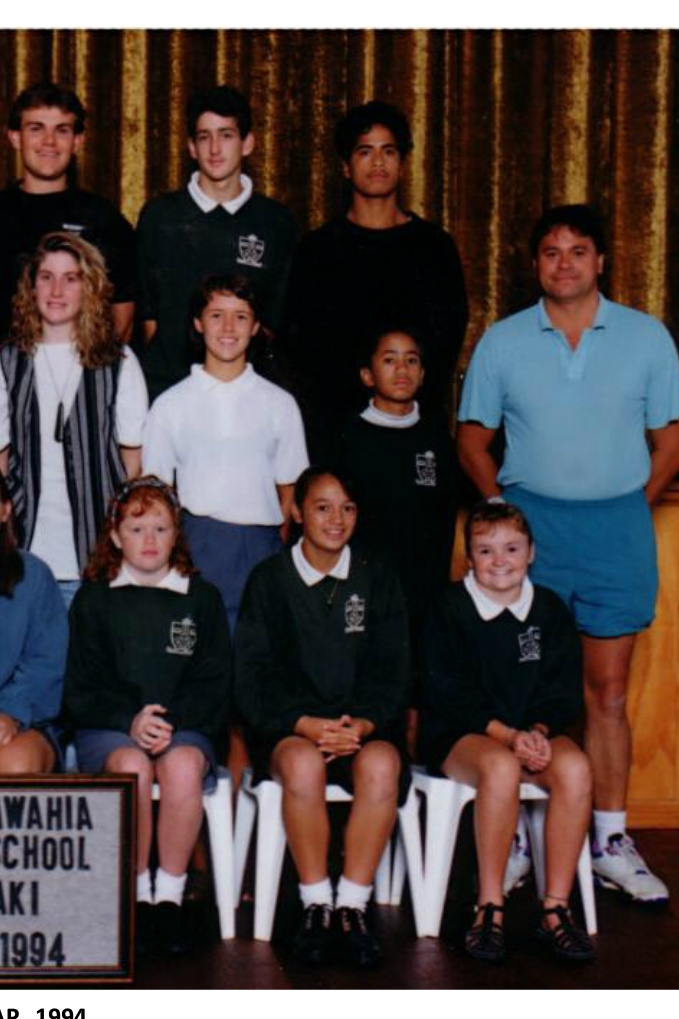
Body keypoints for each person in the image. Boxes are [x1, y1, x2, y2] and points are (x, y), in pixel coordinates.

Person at [458, 203, 679, 904]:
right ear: (536, 264)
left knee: (607, 693)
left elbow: (673, 441)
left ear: (601, 261)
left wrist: (629, 506)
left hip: (616, 528)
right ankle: (520, 837)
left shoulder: (645, 337)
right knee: (524, 688)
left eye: (578, 251)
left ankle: (610, 841)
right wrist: (509, 521)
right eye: (552, 252)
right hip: (536, 530)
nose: (565, 264)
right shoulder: (503, 341)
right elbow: (472, 439)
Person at [235, 467, 410, 968]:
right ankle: (316, 904)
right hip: (292, 730)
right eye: (323, 507)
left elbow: (395, 671)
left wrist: (363, 725)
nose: (337, 519)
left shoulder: (378, 577)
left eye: (348, 508)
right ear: (296, 512)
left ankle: (352, 905)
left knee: (382, 765)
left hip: (361, 731)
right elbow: (252, 678)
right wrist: (304, 723)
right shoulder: (269, 580)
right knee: (303, 764)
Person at [419, 501, 593, 963]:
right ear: (469, 558)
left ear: (531, 552)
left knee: (575, 767)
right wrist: (509, 737)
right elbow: (448, 693)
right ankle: (490, 905)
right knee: (500, 767)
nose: (500, 561)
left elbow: (562, 691)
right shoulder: (449, 608)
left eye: (512, 549)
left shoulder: (549, 609)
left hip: (526, 733)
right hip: (462, 735)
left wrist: (536, 731)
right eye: (486, 550)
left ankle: (555, 907)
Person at [63, 477, 231, 956]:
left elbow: (216, 683)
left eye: (161, 528)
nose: (150, 540)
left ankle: (169, 898)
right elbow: (80, 689)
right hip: (111, 728)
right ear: (116, 537)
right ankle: (136, 896)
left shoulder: (202, 598)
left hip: (184, 727)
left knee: (182, 766)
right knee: (133, 767)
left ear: (177, 534)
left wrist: (169, 723)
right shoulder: (95, 599)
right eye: (137, 529)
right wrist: (130, 721)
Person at [284, 100, 468, 458]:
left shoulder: (434, 247)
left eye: (389, 151)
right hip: (337, 432)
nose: (378, 162)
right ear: (345, 166)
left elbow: (445, 344)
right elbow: (302, 350)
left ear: (403, 163)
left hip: (413, 428)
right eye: (365, 152)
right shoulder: (318, 249)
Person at [142, 273, 309, 632]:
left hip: (261, 546)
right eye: (216, 315)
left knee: (257, 648)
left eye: (241, 316)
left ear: (256, 326)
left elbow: (290, 490)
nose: (229, 327)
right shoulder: (170, 405)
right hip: (196, 544)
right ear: (198, 323)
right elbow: (156, 492)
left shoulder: (279, 404)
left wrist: (270, 548)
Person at [0, 231, 147, 609]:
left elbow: (133, 466)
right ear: (31, 286)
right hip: (23, 560)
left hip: (96, 561)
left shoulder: (119, 362)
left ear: (89, 287)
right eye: (46, 277)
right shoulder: (8, 361)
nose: (56, 290)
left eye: (71, 278)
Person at [137, 85, 297, 401]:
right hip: (169, 390)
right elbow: (149, 319)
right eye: (204, 137)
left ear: (247, 143)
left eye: (226, 135)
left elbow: (273, 322)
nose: (214, 149)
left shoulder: (276, 222)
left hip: (245, 396)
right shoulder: (160, 216)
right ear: (191, 147)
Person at [336, 325, 459, 737]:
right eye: (389, 359)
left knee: (421, 688)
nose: (401, 369)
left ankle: (414, 766)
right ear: (367, 375)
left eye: (411, 360)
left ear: (423, 374)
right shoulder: (348, 437)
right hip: (367, 587)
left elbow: (446, 517)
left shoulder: (437, 438)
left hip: (424, 588)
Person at [0, 82, 136, 342]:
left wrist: (93, 367)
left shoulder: (104, 219)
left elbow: (122, 316)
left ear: (77, 141)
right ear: (15, 137)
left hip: (79, 365)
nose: (49, 141)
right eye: (36, 128)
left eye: (61, 130)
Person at [0, 474, 67, 774]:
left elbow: (46, 664)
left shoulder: (34, 576)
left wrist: (11, 714)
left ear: (6, 510)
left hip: (22, 719)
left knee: (16, 764)